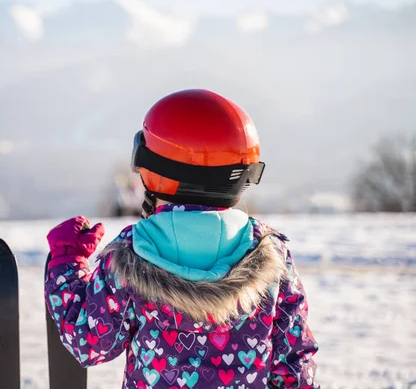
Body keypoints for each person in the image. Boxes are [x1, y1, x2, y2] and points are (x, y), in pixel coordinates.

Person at [44, 89, 318, 388]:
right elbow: (294, 361)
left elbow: (90, 342)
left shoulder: (132, 253)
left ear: (153, 169)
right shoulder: (269, 252)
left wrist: (67, 262)